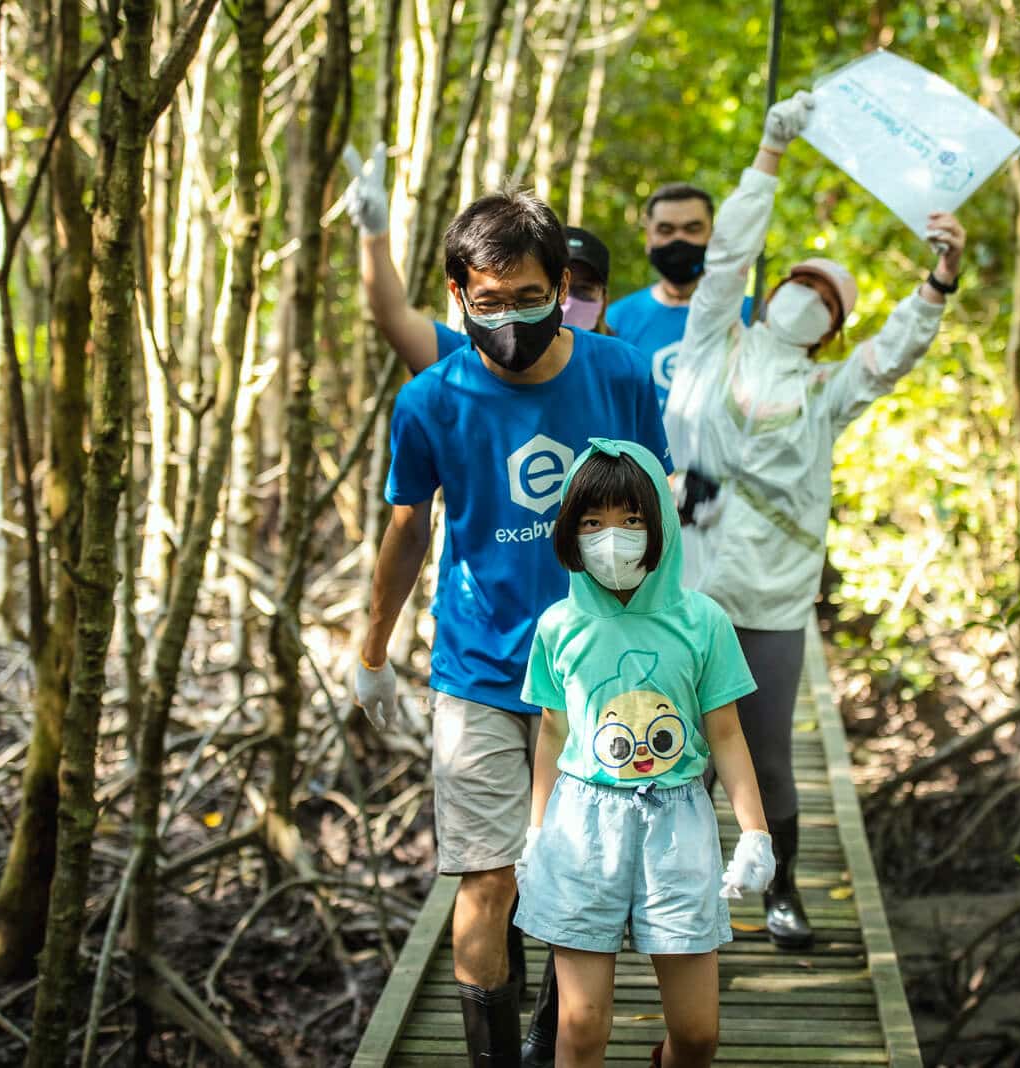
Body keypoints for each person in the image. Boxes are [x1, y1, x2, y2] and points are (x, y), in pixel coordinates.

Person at [351, 189, 671, 1067]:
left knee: (582, 874)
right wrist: (372, 652)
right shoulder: (430, 400)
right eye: (488, 302)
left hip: (600, 672)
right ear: (458, 296)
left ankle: (546, 1031)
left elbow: (657, 509)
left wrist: (671, 649)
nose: (509, 319)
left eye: (530, 298)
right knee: (487, 879)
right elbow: (408, 528)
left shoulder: (619, 374)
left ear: (562, 286)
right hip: (481, 672)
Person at [663, 91, 966, 951]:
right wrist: (769, 154)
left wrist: (939, 280)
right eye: (800, 283)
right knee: (672, 751)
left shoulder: (827, 392)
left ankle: (782, 892)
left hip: (769, 596)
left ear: (833, 330)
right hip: (682, 582)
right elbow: (729, 255)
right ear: (773, 293)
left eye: (826, 300)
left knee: (766, 755)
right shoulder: (713, 339)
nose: (808, 298)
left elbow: (893, 354)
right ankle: (672, 892)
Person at [515, 438, 775, 1068]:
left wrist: (755, 834)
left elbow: (726, 734)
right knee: (581, 1026)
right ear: (571, 532)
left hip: (677, 824)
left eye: (632, 519)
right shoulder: (557, 627)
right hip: (582, 826)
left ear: (660, 522)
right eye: (592, 522)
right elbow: (552, 732)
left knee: (698, 1034)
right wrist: (536, 832)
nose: (612, 538)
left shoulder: (703, 621)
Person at [346, 142, 617, 370]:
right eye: (493, 301)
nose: (570, 303)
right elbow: (394, 316)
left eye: (584, 290)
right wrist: (375, 236)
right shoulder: (470, 363)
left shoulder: (620, 371)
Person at [605, 183, 751, 412]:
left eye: (692, 229)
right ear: (649, 239)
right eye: (666, 230)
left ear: (713, 237)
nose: (679, 239)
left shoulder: (751, 315)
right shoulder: (616, 320)